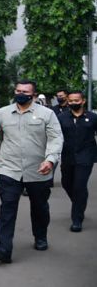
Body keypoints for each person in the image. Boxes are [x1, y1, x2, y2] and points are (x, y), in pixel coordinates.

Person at [0, 80, 63, 263]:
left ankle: (40, 237)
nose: (21, 94)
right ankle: (4, 249)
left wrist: (50, 160)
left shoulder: (47, 114)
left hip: (38, 171)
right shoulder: (3, 113)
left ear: (34, 95)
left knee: (40, 208)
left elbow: (55, 139)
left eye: (25, 92)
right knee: (7, 209)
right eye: (18, 90)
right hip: (9, 169)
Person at [57, 90, 97, 232]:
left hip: (86, 157)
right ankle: (79, 203)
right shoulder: (61, 118)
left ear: (83, 101)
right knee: (66, 183)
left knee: (79, 186)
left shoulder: (92, 117)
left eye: (76, 100)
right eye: (71, 101)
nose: (73, 103)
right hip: (67, 156)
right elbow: (55, 136)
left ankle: (77, 220)